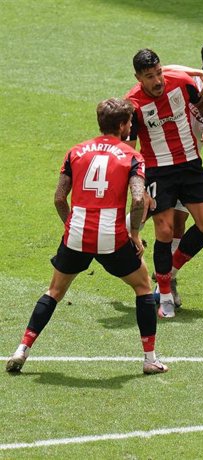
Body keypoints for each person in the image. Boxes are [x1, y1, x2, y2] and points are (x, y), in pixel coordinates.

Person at [5, 98, 168, 375]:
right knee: (143, 287)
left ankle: (22, 349)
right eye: (129, 122)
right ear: (121, 125)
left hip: (76, 235)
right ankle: (150, 359)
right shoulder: (131, 156)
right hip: (111, 237)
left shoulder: (76, 152)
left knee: (54, 292)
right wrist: (135, 234)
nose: (131, 126)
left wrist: (72, 225)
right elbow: (139, 199)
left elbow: (58, 198)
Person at [125, 48, 203, 319]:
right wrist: (140, 185)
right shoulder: (132, 104)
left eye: (158, 73)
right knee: (165, 231)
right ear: (138, 78)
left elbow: (201, 104)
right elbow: (130, 151)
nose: (157, 81)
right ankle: (165, 294)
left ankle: (169, 271)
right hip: (158, 171)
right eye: (149, 77)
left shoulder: (181, 83)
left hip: (190, 165)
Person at [148, 39, 203, 308]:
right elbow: (164, 70)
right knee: (171, 225)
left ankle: (168, 275)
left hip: (190, 163)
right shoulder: (188, 82)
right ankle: (164, 281)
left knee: (195, 224)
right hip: (165, 162)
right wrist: (199, 75)